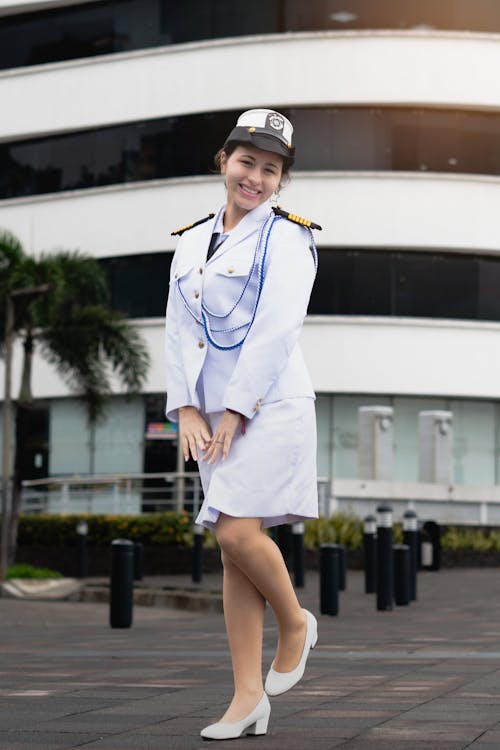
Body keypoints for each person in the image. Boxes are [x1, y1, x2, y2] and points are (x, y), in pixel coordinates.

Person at [165, 109, 322, 740]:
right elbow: (178, 331)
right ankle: (247, 697)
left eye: (269, 169)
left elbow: (278, 329)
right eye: (246, 162)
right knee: (233, 553)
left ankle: (296, 623)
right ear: (223, 162)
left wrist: (235, 409)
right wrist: (186, 410)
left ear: (281, 180)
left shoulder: (288, 238)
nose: (254, 177)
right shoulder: (190, 239)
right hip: (211, 418)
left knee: (235, 537)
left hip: (269, 407)